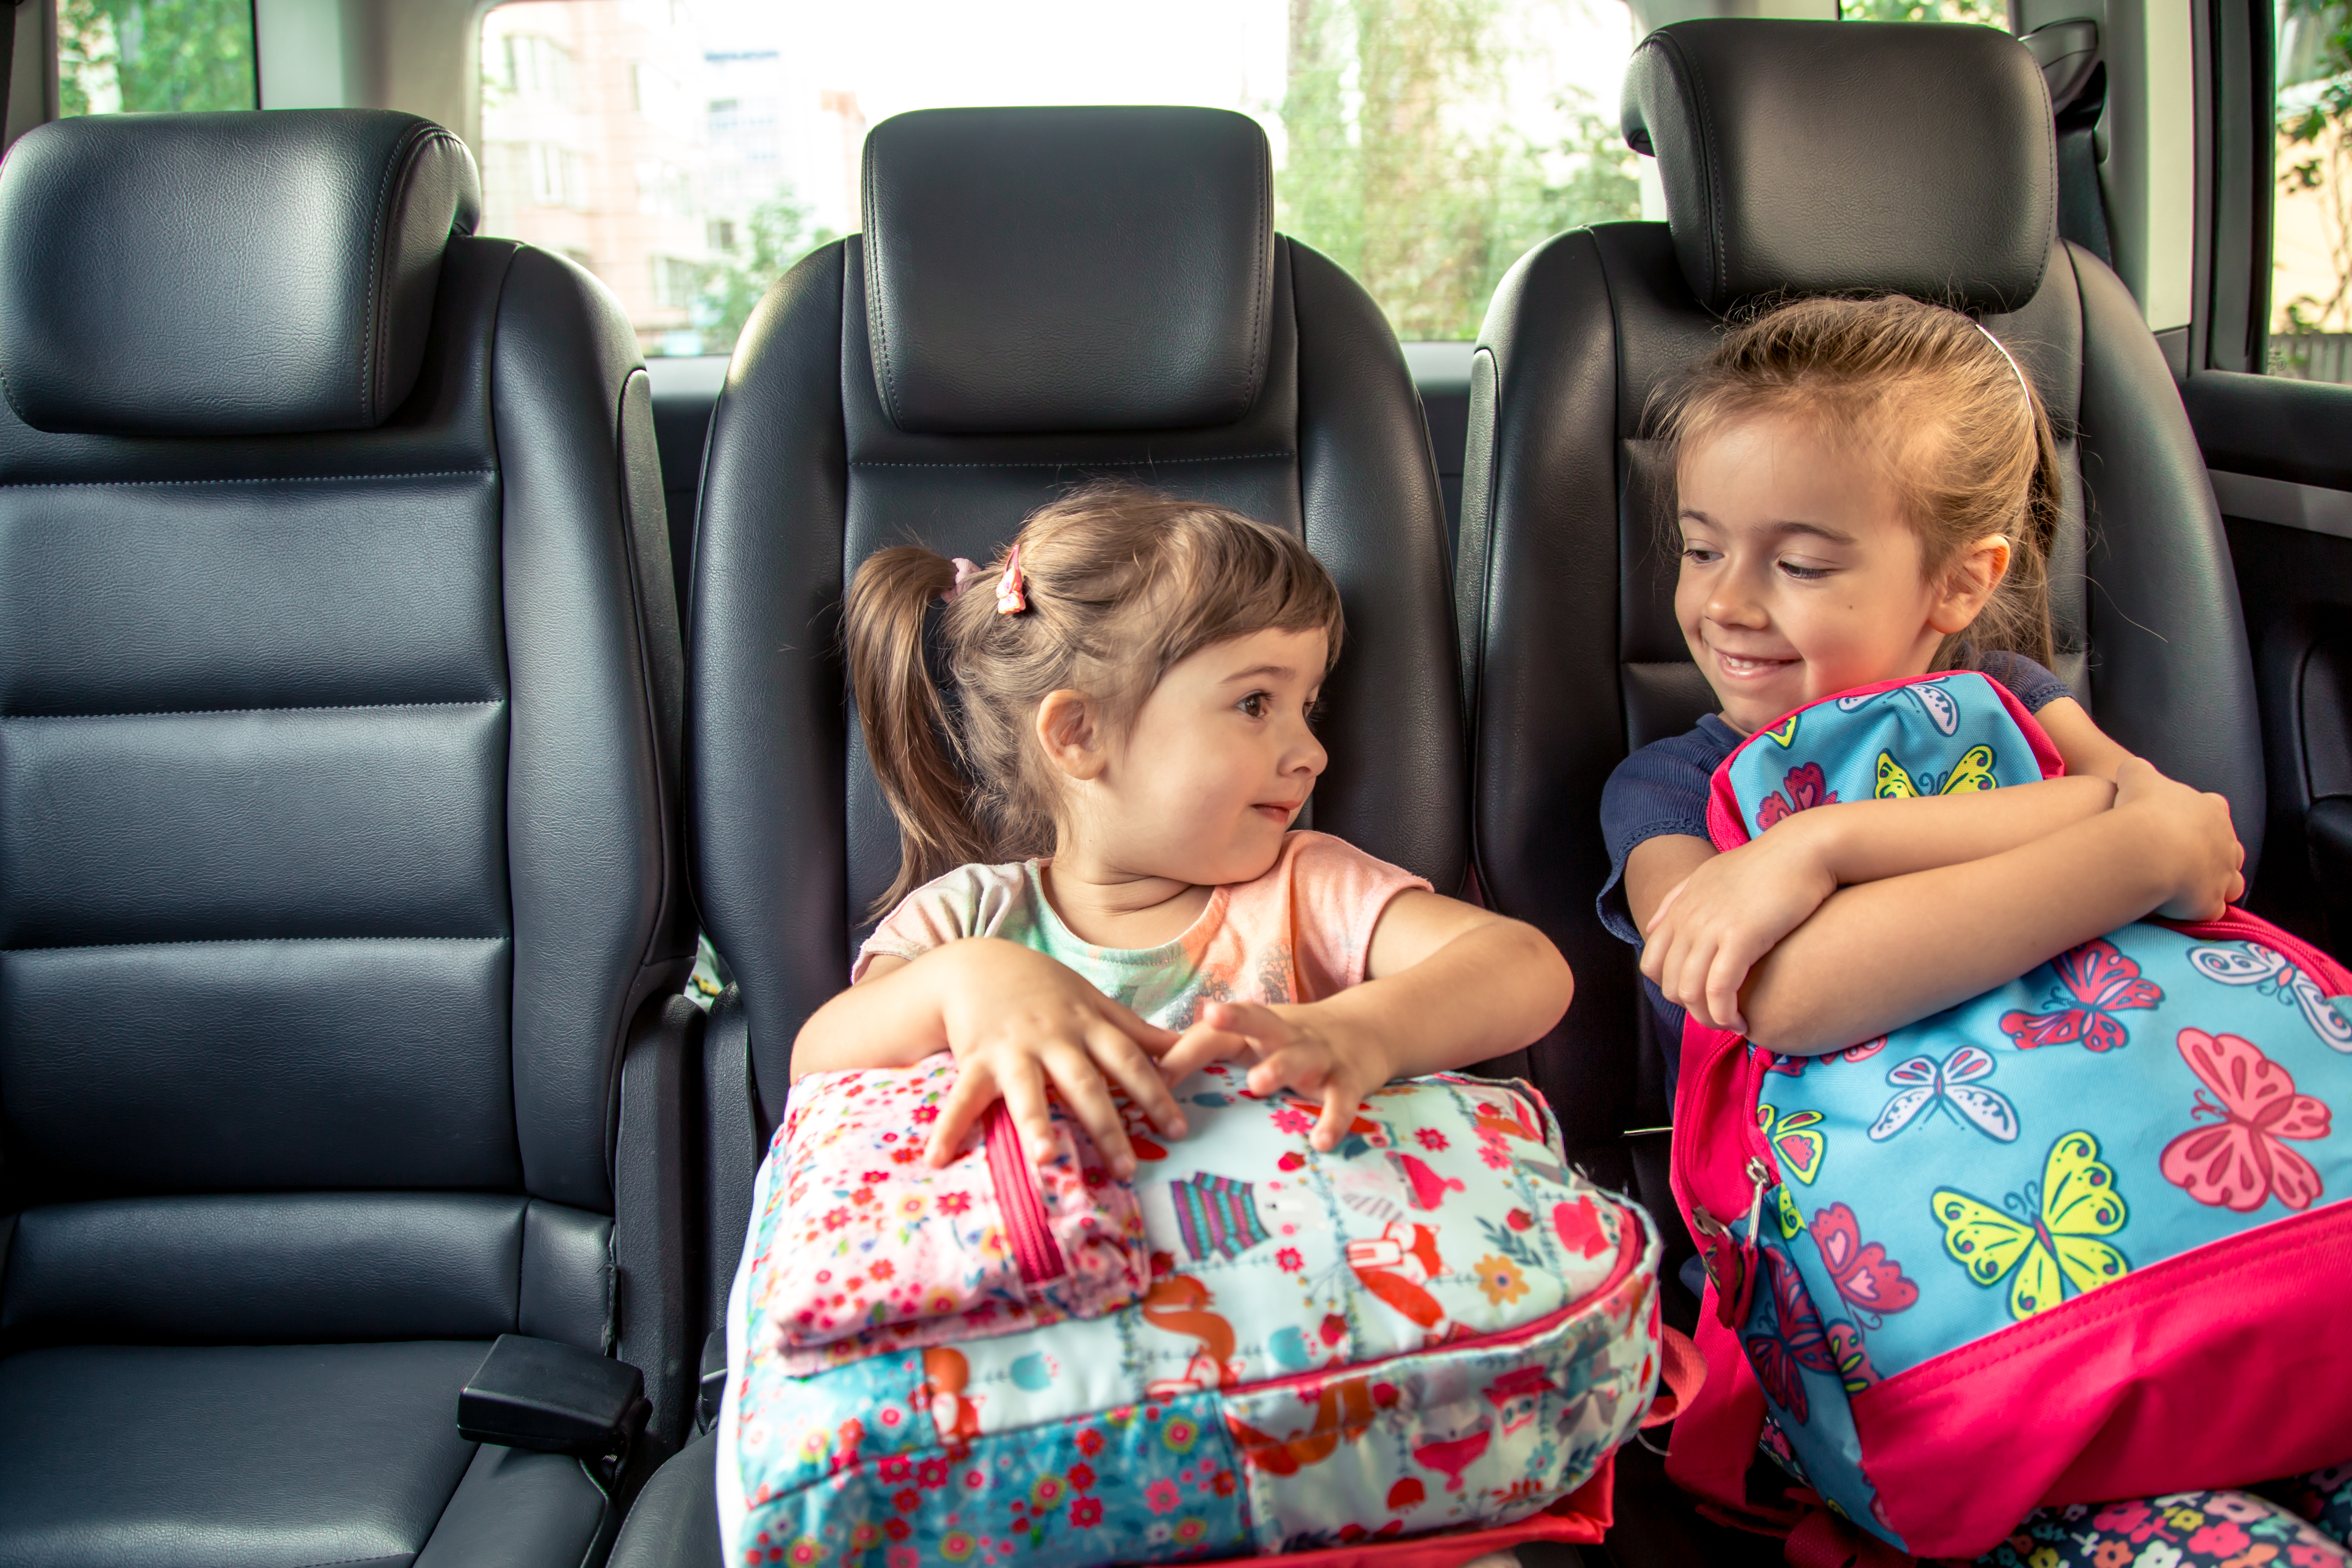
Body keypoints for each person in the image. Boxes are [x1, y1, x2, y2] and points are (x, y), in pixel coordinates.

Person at [1596, 294, 2349, 1568]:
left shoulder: (2017, 704)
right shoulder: (1672, 791)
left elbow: (2192, 850)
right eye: (1701, 547)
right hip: (1951, 1344)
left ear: (1961, 581)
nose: (1726, 603)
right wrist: (2107, 847)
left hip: (2235, 1261)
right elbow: (1783, 995)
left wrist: (1827, 847)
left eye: (1802, 563)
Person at [792, 483, 1572, 1191]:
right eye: (1256, 703)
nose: (1313, 754)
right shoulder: (963, 924)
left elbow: (1528, 969)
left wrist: (1359, 1031)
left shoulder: (1309, 890)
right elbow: (815, 1068)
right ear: (1079, 732)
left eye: (1310, 707)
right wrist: (963, 983)